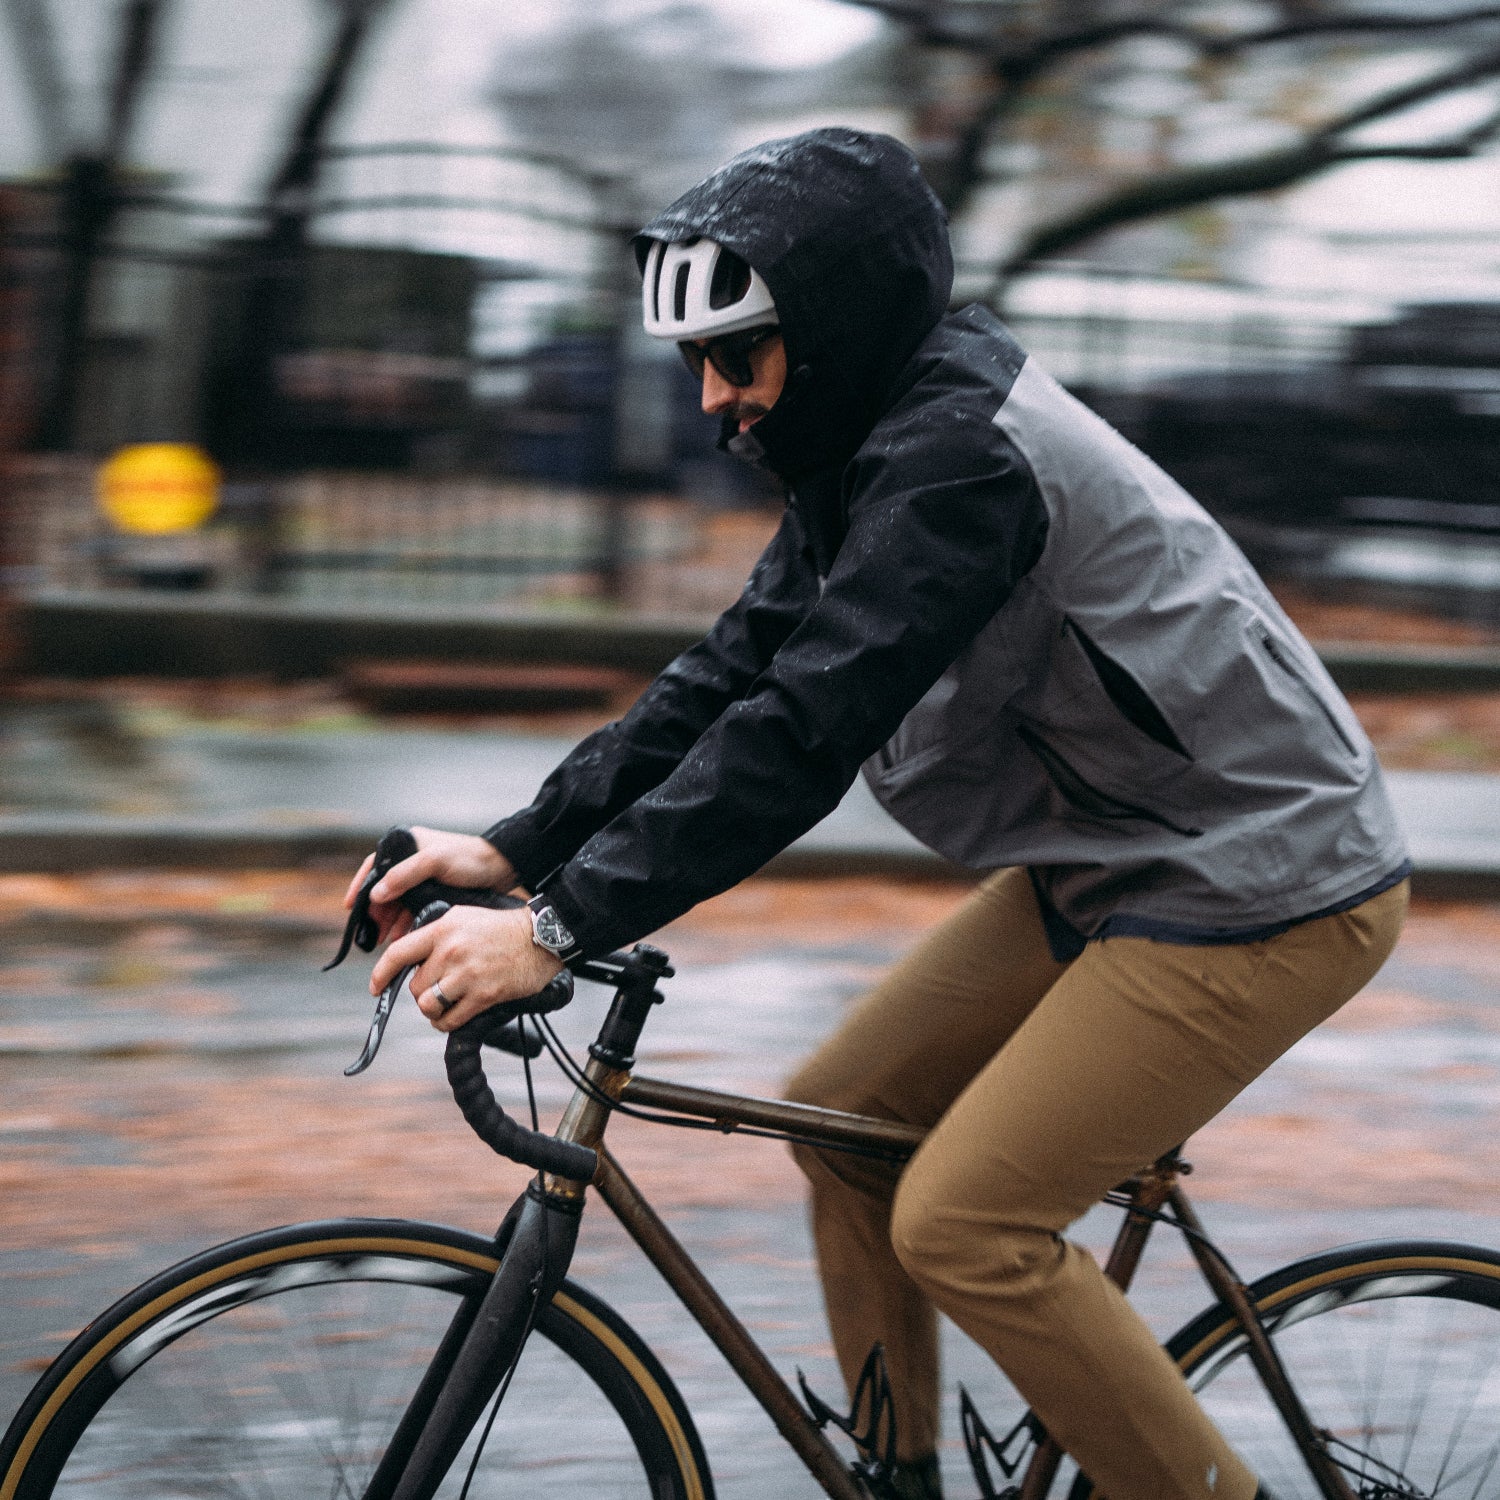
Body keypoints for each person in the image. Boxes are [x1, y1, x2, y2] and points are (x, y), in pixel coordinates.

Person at [359, 129, 1410, 1500]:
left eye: (739, 361)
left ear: (837, 334)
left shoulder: (958, 466)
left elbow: (806, 730)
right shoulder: (871, 441)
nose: (714, 403)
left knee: (968, 1221)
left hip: (1267, 878)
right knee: (841, 1120)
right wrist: (514, 846)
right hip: (1122, 852)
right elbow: (737, 670)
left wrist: (557, 927)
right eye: (697, 366)